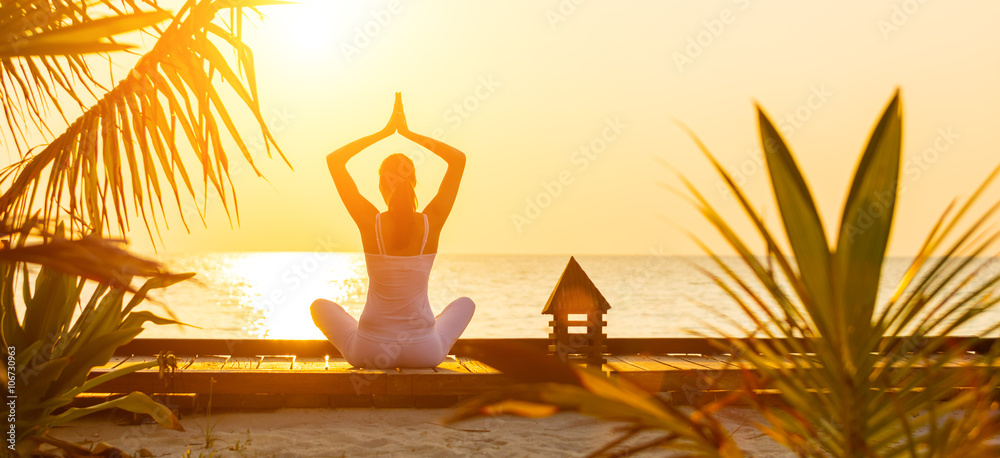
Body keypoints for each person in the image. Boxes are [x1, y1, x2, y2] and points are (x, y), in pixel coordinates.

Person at [311, 93, 475, 368]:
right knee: (465, 303)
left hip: (369, 350)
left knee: (319, 306)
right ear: (414, 184)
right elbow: (458, 160)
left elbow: (334, 160)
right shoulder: (430, 221)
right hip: (424, 352)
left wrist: (385, 132)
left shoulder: (370, 222)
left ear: (380, 186)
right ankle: (426, 333)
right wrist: (409, 133)